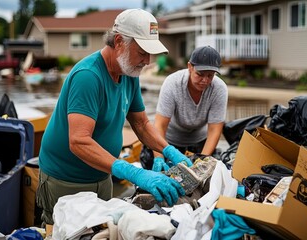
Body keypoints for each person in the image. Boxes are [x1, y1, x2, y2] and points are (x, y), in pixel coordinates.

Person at [36, 8, 192, 230]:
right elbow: (78, 141)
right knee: (64, 233)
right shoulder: (88, 76)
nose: (147, 61)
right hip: (66, 180)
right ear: (119, 41)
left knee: (103, 232)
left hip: (104, 174)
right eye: (142, 52)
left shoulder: (129, 72)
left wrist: (168, 151)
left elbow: (140, 123)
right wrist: (133, 172)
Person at [148, 46, 228, 172]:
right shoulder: (172, 83)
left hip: (199, 141)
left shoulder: (219, 89)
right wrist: (159, 157)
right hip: (168, 142)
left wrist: (202, 160)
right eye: (200, 74)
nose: (205, 80)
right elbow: (160, 126)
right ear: (190, 67)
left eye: (210, 75)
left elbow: (214, 130)